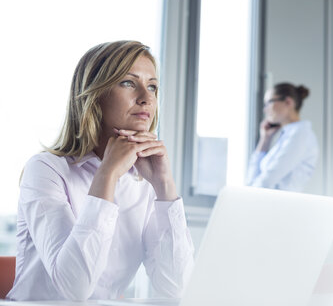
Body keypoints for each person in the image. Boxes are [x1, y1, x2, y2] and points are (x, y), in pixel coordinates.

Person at [7, 41, 194, 301]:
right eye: (129, 83)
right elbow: (73, 289)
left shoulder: (145, 182)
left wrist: (164, 186)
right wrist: (107, 175)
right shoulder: (46, 170)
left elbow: (176, 288)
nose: (147, 97)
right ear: (95, 94)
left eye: (152, 86)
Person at [246, 82, 318, 192]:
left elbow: (268, 179)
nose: (265, 110)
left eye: (269, 102)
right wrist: (265, 139)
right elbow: (252, 179)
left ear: (288, 102)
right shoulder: (287, 135)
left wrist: (247, 194)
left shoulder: (300, 134)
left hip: (283, 206)